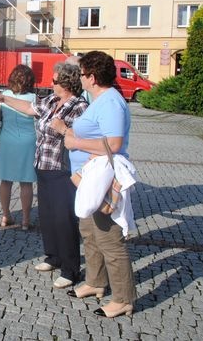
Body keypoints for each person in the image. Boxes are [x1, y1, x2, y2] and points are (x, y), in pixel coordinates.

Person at [0, 62, 88, 289]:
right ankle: (53, 256)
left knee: (64, 219)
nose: (50, 83)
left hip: (63, 168)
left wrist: (64, 129)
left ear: (66, 83)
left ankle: (70, 269)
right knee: (48, 215)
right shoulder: (51, 101)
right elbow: (29, 108)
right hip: (43, 165)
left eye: (54, 80)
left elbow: (82, 136)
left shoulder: (79, 107)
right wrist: (3, 99)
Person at [55, 51, 136, 318]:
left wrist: (76, 142)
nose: (80, 78)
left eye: (82, 74)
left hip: (103, 180)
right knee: (90, 234)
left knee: (110, 238)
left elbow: (113, 144)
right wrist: (68, 133)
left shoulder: (111, 102)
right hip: (88, 178)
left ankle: (123, 298)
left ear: (92, 77)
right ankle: (95, 281)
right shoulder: (99, 99)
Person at [0, 65, 37, 229]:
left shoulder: (3, 96)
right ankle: (25, 220)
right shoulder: (33, 98)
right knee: (26, 182)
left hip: (7, 140)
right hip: (28, 141)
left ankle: (5, 216)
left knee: (6, 180)